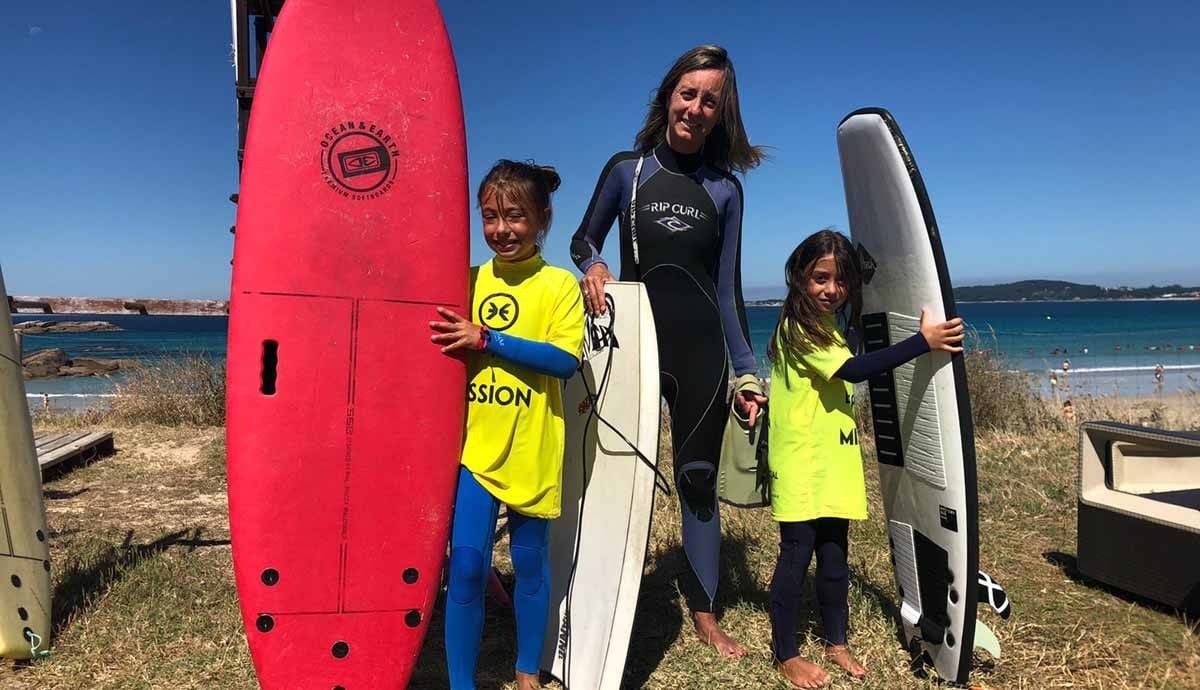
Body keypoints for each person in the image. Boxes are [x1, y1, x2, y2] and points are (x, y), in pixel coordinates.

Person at [571, 44, 766, 657]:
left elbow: (729, 291)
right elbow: (582, 238)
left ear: (721, 113)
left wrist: (747, 374)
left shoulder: (726, 190)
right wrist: (595, 264)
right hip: (630, 342)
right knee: (612, 476)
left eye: (711, 100)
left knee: (699, 479)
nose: (697, 107)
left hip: (701, 350)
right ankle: (598, 595)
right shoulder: (627, 172)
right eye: (689, 94)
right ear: (668, 97)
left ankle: (706, 613)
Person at [765, 229, 965, 688]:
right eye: (820, 278)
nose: (830, 290)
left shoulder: (830, 324)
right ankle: (786, 654)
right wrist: (923, 341)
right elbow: (856, 368)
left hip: (833, 462)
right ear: (800, 277)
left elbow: (853, 342)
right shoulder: (799, 329)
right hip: (801, 464)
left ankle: (836, 642)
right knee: (796, 557)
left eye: (840, 282)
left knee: (835, 558)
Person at [431, 160, 585, 690]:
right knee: (468, 567)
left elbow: (564, 361)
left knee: (530, 565)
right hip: (474, 449)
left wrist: (488, 339)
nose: (501, 230)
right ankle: (461, 682)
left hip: (533, 447)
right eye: (490, 217)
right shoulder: (467, 281)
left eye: (515, 216)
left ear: (542, 218)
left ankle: (526, 672)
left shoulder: (559, 286)